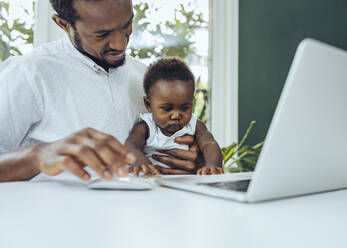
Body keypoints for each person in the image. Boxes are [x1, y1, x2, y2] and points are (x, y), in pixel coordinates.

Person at [0, 0, 201, 182]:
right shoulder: (27, 74)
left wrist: (196, 163)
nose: (120, 44)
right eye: (102, 34)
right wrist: (38, 157)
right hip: (61, 220)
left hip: (144, 217)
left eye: (127, 25)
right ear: (63, 23)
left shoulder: (146, 78)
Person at [125, 57, 223, 178]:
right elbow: (131, 145)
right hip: (152, 182)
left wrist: (212, 165)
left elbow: (209, 144)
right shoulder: (146, 126)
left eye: (185, 108)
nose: (176, 115)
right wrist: (140, 160)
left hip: (186, 184)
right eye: (167, 109)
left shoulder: (194, 124)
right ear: (149, 105)